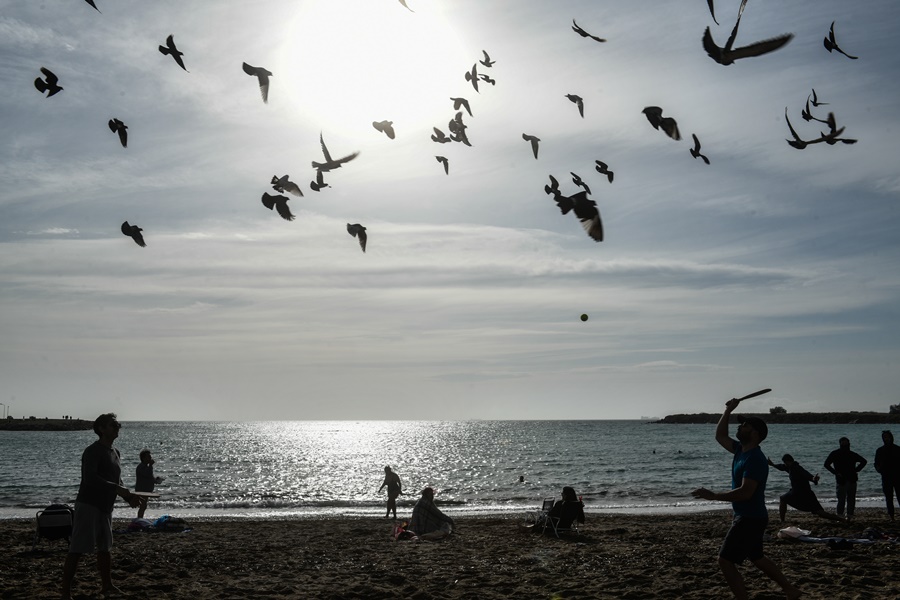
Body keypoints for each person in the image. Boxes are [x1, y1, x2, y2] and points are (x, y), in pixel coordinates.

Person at [691, 397, 801, 600]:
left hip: (750, 518)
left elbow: (745, 492)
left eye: (745, 425)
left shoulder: (756, 459)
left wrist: (714, 496)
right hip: (749, 516)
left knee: (724, 560)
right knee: (756, 556)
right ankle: (790, 589)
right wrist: (728, 411)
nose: (740, 427)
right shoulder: (740, 450)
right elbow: (720, 435)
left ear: (755, 433)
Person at [61, 413, 140, 600]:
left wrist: (128, 497)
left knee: (105, 548)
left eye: (118, 424)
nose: (117, 427)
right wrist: (117, 489)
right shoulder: (92, 451)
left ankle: (107, 586)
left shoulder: (115, 452)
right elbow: (90, 479)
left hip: (106, 507)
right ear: (101, 429)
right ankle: (65, 592)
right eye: (113, 425)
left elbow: (117, 480)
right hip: (88, 504)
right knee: (77, 549)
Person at [768, 454, 845, 523]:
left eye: (785, 463)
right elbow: (782, 467)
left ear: (787, 461)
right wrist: (773, 465)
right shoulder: (790, 467)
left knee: (820, 512)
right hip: (801, 493)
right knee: (820, 512)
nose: (784, 464)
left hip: (802, 494)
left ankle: (841, 519)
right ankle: (841, 519)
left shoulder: (797, 468)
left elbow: (806, 474)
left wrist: (813, 479)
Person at [823, 436, 867, 520]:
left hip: (851, 478)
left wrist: (857, 469)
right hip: (843, 479)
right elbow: (826, 464)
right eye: (843, 443)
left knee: (849, 498)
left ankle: (848, 515)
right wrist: (836, 473)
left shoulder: (850, 454)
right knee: (843, 499)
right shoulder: (836, 453)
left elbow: (864, 461)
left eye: (845, 443)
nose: (844, 444)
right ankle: (842, 515)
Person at [874, 430, 900, 521]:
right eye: (884, 437)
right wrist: (879, 470)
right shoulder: (880, 450)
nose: (886, 438)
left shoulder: (897, 449)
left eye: (887, 436)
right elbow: (876, 463)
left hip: (898, 477)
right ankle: (891, 516)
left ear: (891, 437)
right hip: (886, 477)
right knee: (889, 498)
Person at [135, 449, 164, 519]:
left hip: (145, 490)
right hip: (142, 491)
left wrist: (156, 480)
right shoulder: (141, 467)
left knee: (143, 506)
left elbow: (149, 477)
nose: (150, 458)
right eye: (148, 457)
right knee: (143, 506)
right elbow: (148, 474)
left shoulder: (145, 467)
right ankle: (139, 519)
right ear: (143, 458)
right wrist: (150, 465)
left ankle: (140, 519)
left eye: (150, 456)